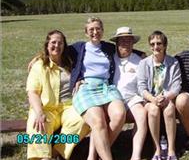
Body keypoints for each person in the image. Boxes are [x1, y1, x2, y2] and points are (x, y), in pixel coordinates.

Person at [26, 30, 90, 160]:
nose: (57, 46)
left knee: (84, 120)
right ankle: (43, 157)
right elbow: (32, 92)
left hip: (68, 106)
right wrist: (39, 112)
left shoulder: (72, 62)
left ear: (64, 46)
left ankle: (57, 152)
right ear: (47, 45)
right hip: (46, 107)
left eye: (60, 43)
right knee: (37, 123)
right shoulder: (39, 65)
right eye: (53, 42)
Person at [71, 17, 126, 160]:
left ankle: (94, 155)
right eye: (91, 29)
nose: (95, 32)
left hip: (106, 88)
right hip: (86, 88)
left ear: (102, 30)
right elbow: (56, 51)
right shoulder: (79, 47)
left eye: (98, 29)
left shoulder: (107, 47)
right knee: (98, 122)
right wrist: (39, 58)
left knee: (119, 115)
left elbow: (124, 49)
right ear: (86, 32)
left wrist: (141, 54)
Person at [137, 31, 182, 160]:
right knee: (153, 110)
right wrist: (153, 99)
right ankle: (156, 148)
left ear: (165, 45)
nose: (155, 47)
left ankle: (171, 149)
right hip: (150, 99)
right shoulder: (144, 63)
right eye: (152, 44)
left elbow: (176, 85)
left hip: (167, 97)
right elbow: (141, 87)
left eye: (159, 43)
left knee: (169, 110)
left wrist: (166, 97)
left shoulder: (173, 63)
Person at [110, 26, 148, 160]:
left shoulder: (140, 60)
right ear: (116, 42)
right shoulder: (109, 59)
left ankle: (136, 155)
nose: (125, 43)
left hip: (132, 98)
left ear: (133, 43)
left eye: (128, 40)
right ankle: (104, 148)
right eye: (122, 40)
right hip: (112, 99)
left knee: (142, 113)